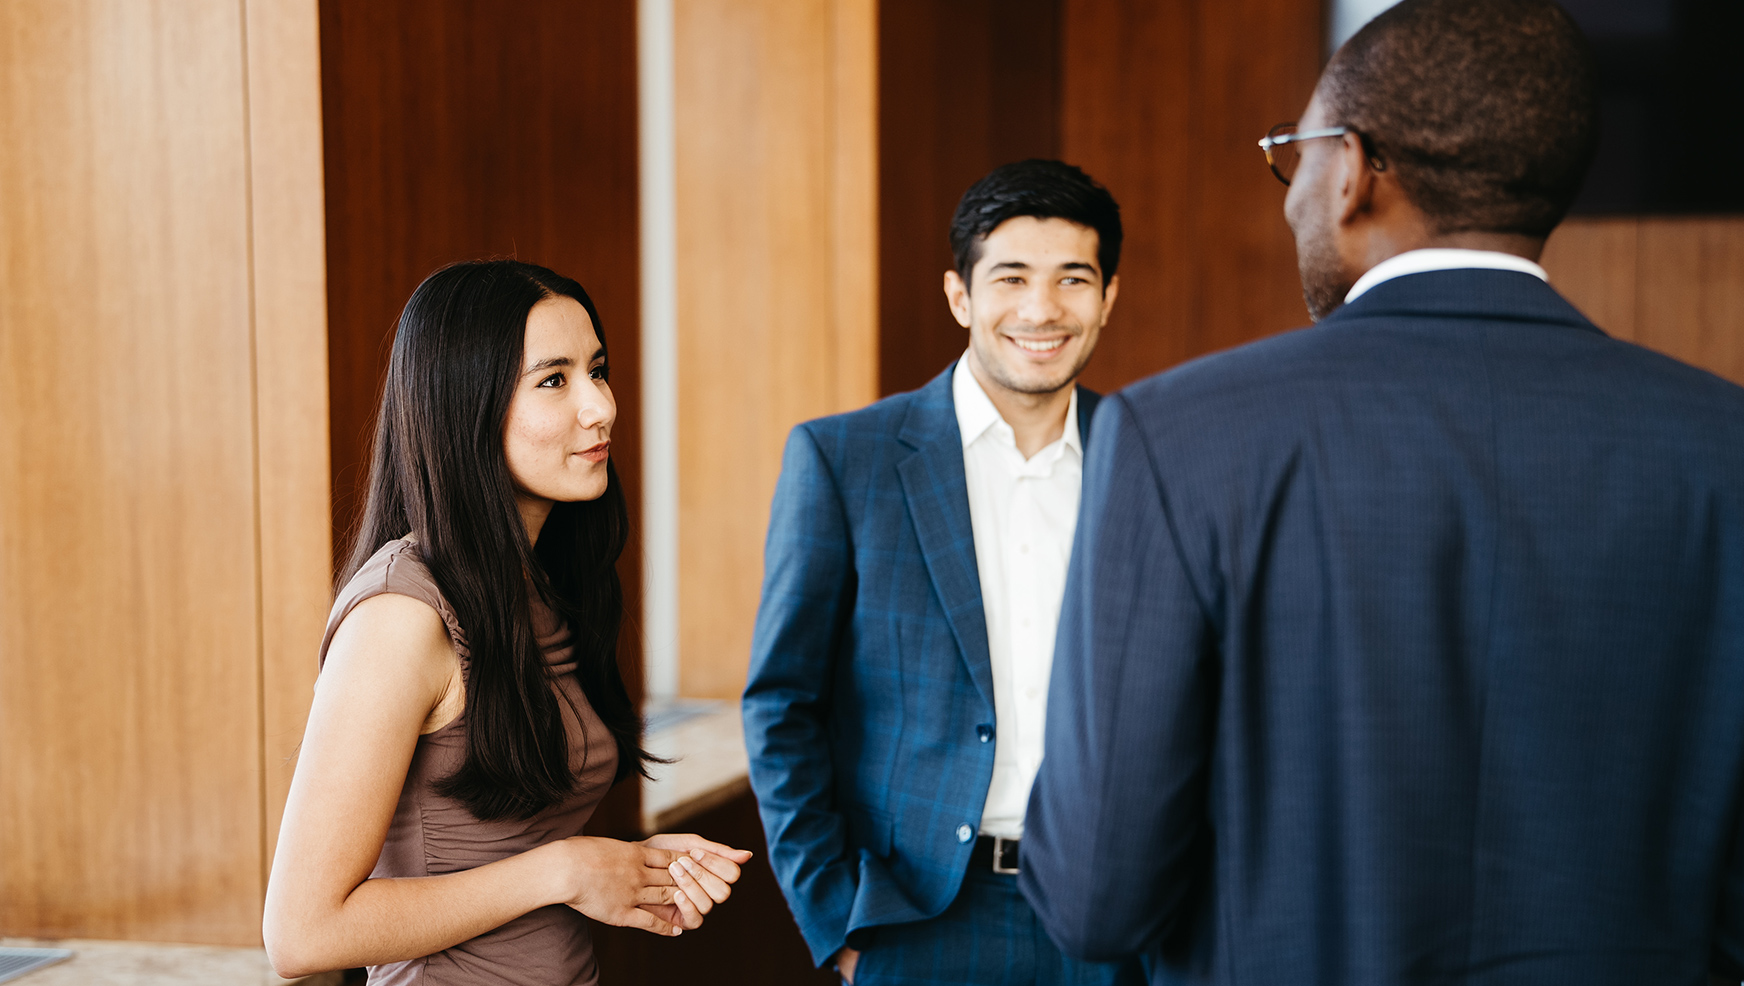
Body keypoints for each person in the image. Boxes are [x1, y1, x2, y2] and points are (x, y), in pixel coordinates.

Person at [1019, 1, 1744, 983]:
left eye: (1295, 157)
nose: (1288, 199)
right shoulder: (1719, 444)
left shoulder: (1174, 434)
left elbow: (1096, 897)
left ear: (1354, 168)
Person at [264, 261, 752, 985]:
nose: (600, 407)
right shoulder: (404, 613)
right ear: (465, 404)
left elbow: (502, 841)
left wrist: (628, 870)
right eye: (554, 380)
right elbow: (302, 934)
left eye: (598, 370)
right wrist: (563, 869)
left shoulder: (539, 585)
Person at [743, 160, 1140, 986]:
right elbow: (782, 703)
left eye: (1073, 278)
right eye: (1011, 277)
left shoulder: (1150, 460)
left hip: (1117, 916)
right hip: (919, 919)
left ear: (1107, 297)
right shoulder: (844, 460)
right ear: (960, 295)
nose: (1041, 309)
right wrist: (837, 919)